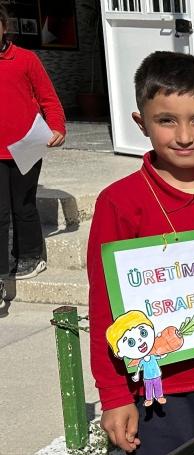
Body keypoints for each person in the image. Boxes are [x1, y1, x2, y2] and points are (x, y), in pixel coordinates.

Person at [87, 51, 194, 455]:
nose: (183, 135)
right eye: (166, 121)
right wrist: (115, 395)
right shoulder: (120, 203)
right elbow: (106, 306)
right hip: (158, 390)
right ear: (140, 122)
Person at [0, 4, 65, 296]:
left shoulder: (25, 59)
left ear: (4, 26)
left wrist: (58, 128)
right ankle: (2, 269)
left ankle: (31, 255)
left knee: (23, 203)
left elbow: (48, 99)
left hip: (27, 144)